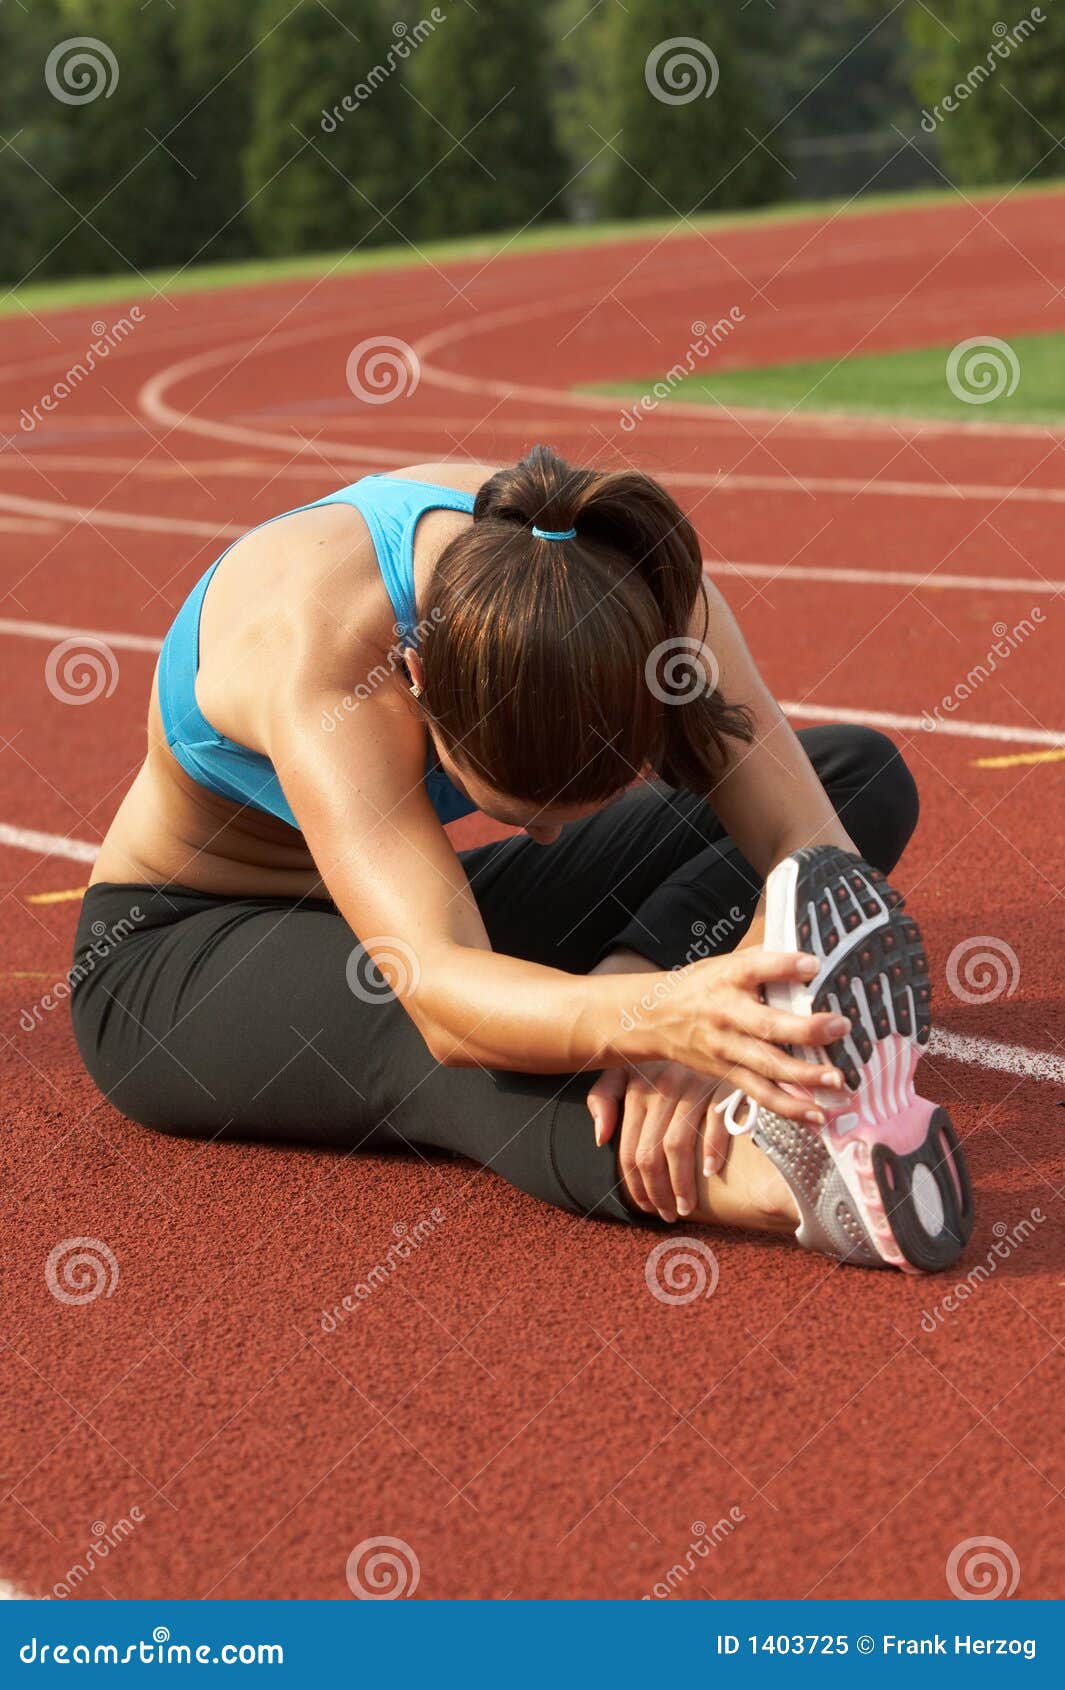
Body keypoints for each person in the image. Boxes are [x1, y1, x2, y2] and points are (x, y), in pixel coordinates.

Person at [70, 446, 972, 1271]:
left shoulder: (634, 590)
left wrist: (699, 993)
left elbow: (810, 849)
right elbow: (443, 999)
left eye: (577, 810)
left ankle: (628, 979)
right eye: (517, 812)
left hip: (424, 896)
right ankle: (789, 1183)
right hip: (186, 953)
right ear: (420, 684)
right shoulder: (323, 649)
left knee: (857, 773)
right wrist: (655, 1017)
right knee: (443, 1040)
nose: (545, 837)